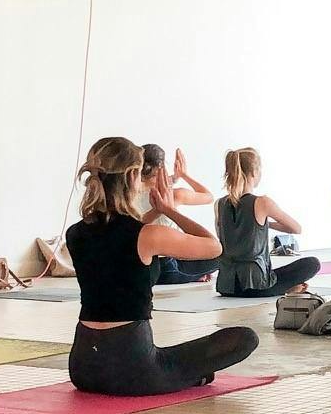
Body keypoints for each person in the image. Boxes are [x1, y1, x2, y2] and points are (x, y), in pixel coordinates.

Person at [64, 138, 258, 394]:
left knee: (171, 356)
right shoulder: (148, 236)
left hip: (82, 367)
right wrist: (169, 210)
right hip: (132, 369)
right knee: (244, 338)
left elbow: (115, 236)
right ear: (133, 175)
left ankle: (183, 375)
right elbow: (214, 248)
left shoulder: (75, 233)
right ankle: (184, 377)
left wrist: (155, 213)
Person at [215, 147, 321, 298]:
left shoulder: (219, 204)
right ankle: (287, 288)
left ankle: (287, 288)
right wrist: (266, 224)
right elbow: (296, 228)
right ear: (255, 172)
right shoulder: (262, 202)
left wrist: (261, 224)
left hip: (226, 285)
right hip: (257, 285)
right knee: (312, 263)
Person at [135, 144, 218, 285]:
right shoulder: (175, 195)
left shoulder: (128, 193)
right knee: (221, 256)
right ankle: (193, 276)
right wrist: (184, 175)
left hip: (143, 266)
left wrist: (173, 178)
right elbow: (208, 197)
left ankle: (191, 276)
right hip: (169, 267)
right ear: (162, 167)